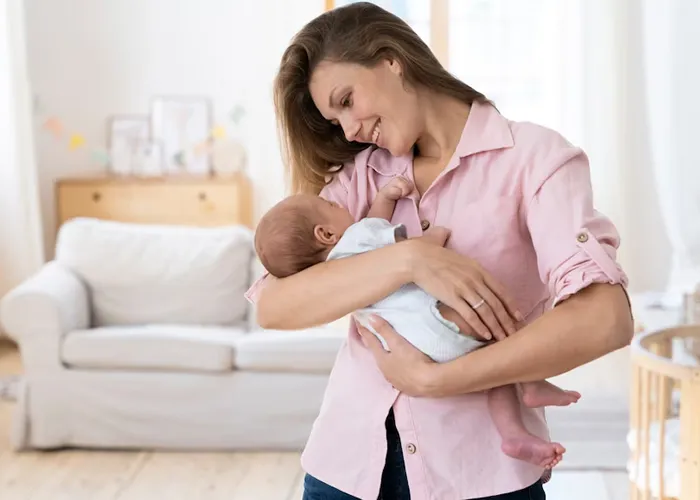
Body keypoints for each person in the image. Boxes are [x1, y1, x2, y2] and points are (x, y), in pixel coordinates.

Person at [246, 2, 633, 499]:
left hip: (482, 476)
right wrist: (409, 259)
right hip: (346, 470)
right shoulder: (362, 177)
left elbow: (606, 318)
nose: (348, 131)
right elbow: (276, 306)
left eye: (346, 100)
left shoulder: (535, 160)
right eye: (334, 119)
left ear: (391, 59)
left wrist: (438, 381)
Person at [254, 178, 581, 471]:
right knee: (501, 326)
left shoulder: (333, 270)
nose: (336, 203)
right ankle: (531, 384)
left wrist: (384, 195)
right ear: (325, 233)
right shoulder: (357, 238)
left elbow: (374, 222)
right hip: (435, 320)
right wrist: (436, 236)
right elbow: (410, 249)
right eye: (329, 206)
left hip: (409, 342)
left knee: (493, 364)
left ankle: (514, 435)